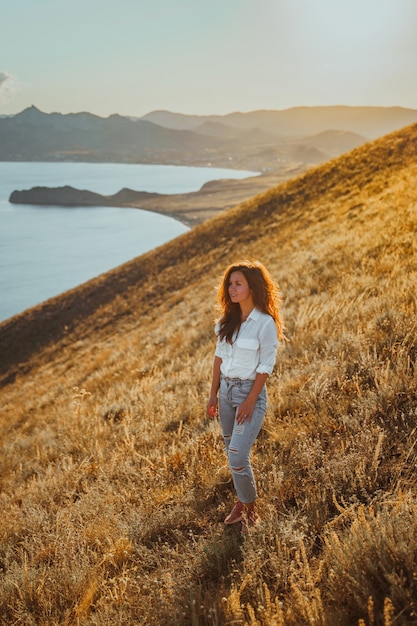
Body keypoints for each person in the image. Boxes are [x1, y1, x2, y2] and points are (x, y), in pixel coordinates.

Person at [206, 260, 284, 533]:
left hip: (249, 393)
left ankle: (250, 509)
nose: (232, 288)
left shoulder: (265, 324)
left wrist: (250, 400)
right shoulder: (226, 322)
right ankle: (242, 501)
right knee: (231, 451)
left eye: (238, 283)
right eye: (230, 284)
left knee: (238, 456)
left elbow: (265, 367)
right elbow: (218, 359)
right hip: (225, 393)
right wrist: (213, 395)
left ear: (252, 287)